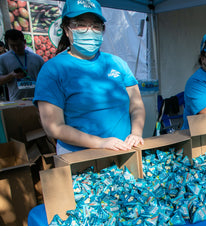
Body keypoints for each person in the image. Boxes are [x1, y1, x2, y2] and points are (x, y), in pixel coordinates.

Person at [33, 0, 145, 155]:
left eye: (95, 26)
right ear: (66, 29)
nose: (89, 30)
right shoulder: (53, 70)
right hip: (80, 157)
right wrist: (101, 143)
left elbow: (136, 105)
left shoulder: (117, 64)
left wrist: (136, 133)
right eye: (80, 24)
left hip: (124, 152)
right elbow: (54, 127)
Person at [0, 30, 44, 101]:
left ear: (24, 42)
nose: (16, 48)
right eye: (12, 46)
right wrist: (11, 75)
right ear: (7, 44)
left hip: (37, 100)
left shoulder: (37, 59)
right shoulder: (2, 59)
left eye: (19, 45)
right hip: (16, 102)